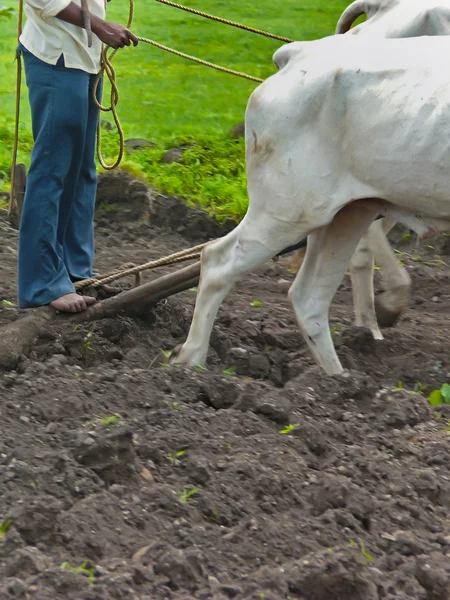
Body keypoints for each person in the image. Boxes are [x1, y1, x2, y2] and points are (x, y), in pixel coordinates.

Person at [18, 0, 138, 312]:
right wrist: (100, 25)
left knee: (82, 172)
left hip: (87, 58)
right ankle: (42, 284)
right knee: (52, 170)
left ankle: (75, 272)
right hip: (55, 57)